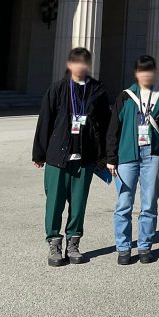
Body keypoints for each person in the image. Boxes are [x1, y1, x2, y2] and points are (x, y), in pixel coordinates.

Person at [32, 47, 110, 267]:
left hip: (85, 157)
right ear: (69, 65)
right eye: (76, 62)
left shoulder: (97, 90)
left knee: (78, 203)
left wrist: (104, 156)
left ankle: (74, 243)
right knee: (54, 202)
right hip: (58, 156)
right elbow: (45, 121)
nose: (80, 66)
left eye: (84, 62)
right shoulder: (57, 89)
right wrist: (39, 153)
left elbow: (104, 125)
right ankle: (54, 243)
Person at [105, 55, 159, 265]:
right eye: (142, 70)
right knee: (124, 203)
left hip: (153, 155)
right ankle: (123, 248)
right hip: (126, 156)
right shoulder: (125, 97)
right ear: (136, 73)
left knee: (149, 202)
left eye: (149, 70)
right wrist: (111, 157)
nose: (146, 74)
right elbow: (113, 128)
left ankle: (144, 246)